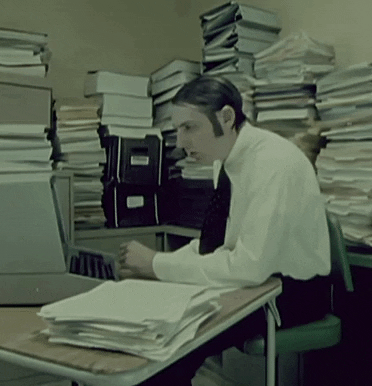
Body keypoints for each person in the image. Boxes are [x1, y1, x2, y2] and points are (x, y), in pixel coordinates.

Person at [118, 75, 331, 386]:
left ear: (227, 118)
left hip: (292, 292)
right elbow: (214, 245)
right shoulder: (226, 160)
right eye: (178, 129)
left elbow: (249, 267)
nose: (180, 142)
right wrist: (157, 267)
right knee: (153, 329)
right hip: (255, 282)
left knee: (172, 349)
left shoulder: (273, 164)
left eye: (189, 127)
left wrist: (156, 264)